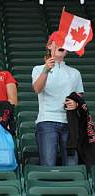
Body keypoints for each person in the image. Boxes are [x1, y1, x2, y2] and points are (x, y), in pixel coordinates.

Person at [32, 33, 84, 166]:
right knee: (48, 164)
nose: (62, 45)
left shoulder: (75, 72)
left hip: (70, 122)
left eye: (65, 43)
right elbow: (37, 89)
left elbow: (79, 97)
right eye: (59, 41)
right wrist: (46, 70)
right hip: (47, 120)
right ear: (50, 46)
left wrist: (75, 103)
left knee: (72, 166)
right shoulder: (38, 69)